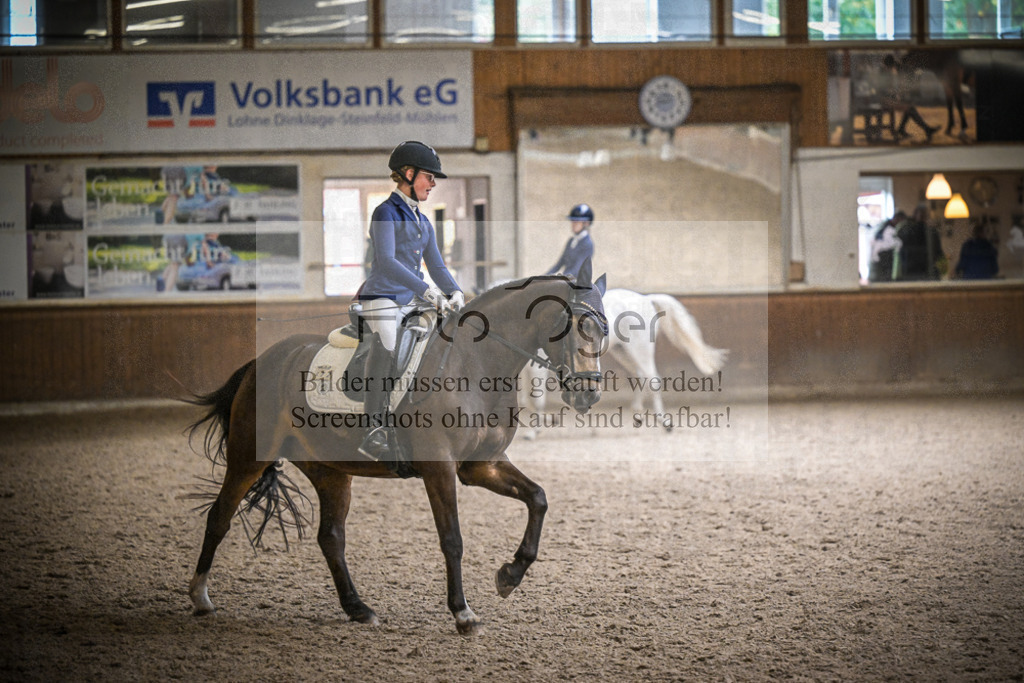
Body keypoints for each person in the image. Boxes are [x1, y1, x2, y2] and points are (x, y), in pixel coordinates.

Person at [356, 141, 464, 465]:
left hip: (412, 299)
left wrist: (456, 291)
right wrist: (428, 291)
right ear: (408, 173)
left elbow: (438, 266)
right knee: (389, 344)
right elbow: (386, 261)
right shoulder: (385, 212)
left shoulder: (423, 221)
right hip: (382, 296)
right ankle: (372, 428)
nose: (432, 184)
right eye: (429, 177)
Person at [896, 204, 945, 280]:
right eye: (924, 215)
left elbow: (901, 254)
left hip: (912, 274)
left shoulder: (906, 231)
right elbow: (939, 254)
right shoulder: (930, 232)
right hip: (924, 274)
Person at [546, 204, 596, 280]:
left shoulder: (587, 244)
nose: (573, 224)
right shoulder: (571, 241)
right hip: (566, 281)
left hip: (578, 284)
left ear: (586, 223)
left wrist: (560, 280)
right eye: (573, 221)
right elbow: (560, 263)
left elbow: (577, 268)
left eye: (576, 222)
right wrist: (543, 277)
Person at [869, 211, 906, 282]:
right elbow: (880, 237)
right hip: (882, 253)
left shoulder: (891, 227)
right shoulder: (886, 226)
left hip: (885, 254)